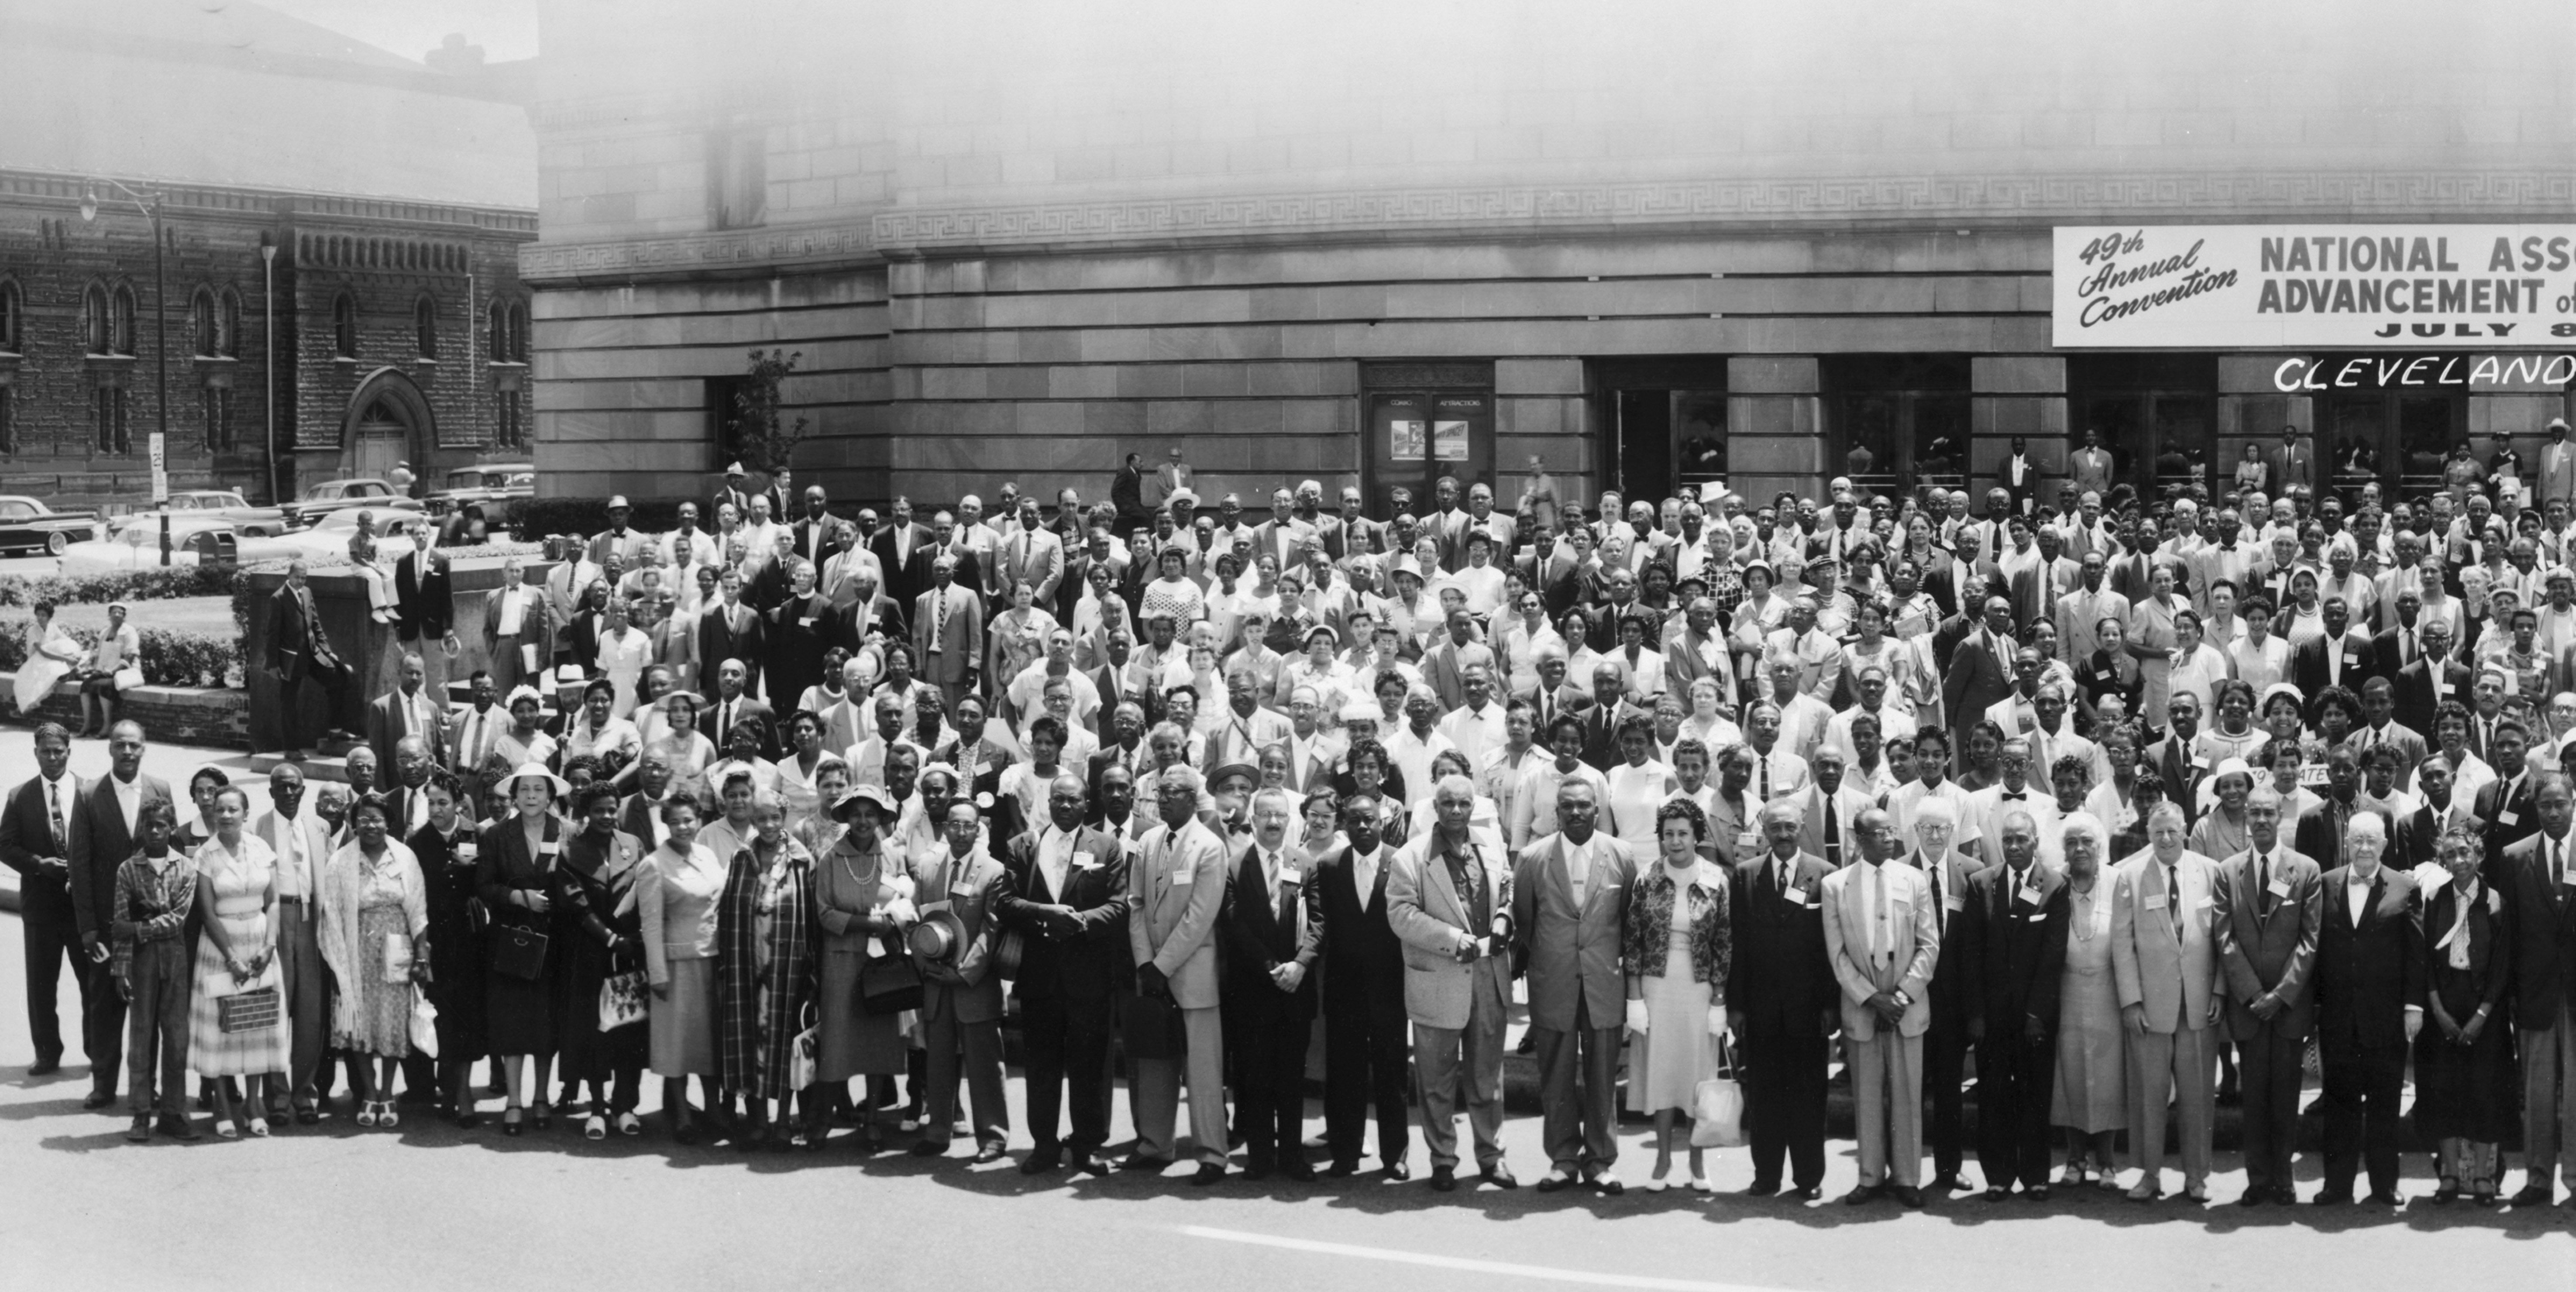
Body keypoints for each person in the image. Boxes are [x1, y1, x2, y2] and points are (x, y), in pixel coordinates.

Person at [1390, 773, 1518, 1192]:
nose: (1457, 812)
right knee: (1436, 1080)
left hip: (1488, 975)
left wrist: (1503, 917)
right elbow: (1401, 915)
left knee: (1487, 1078)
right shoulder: (1410, 858)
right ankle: (1443, 1159)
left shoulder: (1491, 847)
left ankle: (1491, 1157)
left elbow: (1508, 888)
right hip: (1439, 979)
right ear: (1434, 808)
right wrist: (1451, 940)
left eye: (1465, 804)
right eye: (1448, 804)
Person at [997, 772, 1130, 1175]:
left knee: (1089, 1065)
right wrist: (1043, 914)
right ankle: (1043, 1146)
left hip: (1088, 976)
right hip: (1040, 978)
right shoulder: (1023, 846)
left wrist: (1079, 922)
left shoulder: (1106, 847)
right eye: (1059, 800)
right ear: (1048, 803)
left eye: (1073, 800)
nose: (1066, 806)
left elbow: (1120, 906)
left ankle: (1087, 1146)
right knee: (1041, 1066)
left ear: (1086, 804)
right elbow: (1005, 901)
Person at [1512, 777, 1636, 1194]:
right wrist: (1557, 956)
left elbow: (1625, 918)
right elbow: (1526, 922)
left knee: (1603, 1076)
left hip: (1603, 982)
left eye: (1584, 806)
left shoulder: (1621, 854)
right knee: (1556, 1075)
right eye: (1567, 807)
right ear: (1556, 813)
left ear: (1597, 811)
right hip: (1553, 980)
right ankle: (1563, 1160)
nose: (1576, 813)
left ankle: (1600, 1161)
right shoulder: (1532, 858)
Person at [2210, 785, 2322, 1206]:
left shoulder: (2305, 870)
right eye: (2253, 814)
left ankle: (2284, 1178)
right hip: (2249, 1006)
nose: (2259, 820)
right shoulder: (2227, 872)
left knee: (2286, 1094)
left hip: (2287, 1005)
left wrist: (2281, 995)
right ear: (2245, 819)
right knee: (2254, 1098)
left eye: (2267, 813)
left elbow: (2310, 940)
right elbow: (2224, 937)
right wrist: (2254, 994)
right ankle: (2258, 1179)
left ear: (2281, 818)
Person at [2109, 801, 2224, 1203]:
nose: (2165, 838)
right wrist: (2130, 1002)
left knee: (2197, 1097)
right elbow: (2122, 946)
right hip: (2151, 1007)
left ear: (2185, 830)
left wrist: (2219, 991)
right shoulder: (2130, 877)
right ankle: (2150, 1174)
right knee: (2149, 1095)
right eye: (2157, 832)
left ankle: (2196, 1176)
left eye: (2172, 831)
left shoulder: (2209, 872)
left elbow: (2221, 941)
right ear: (2148, 833)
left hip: (2197, 1005)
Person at [1823, 807, 1936, 1207]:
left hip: (1906, 1001)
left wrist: (1902, 996)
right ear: (1859, 839)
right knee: (1867, 1094)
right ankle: (1869, 1176)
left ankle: (1907, 1178)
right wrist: (1873, 999)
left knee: (1906, 1093)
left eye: (1891, 830)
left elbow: (1929, 945)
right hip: (1864, 1000)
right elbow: (1836, 954)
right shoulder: (1835, 886)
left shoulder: (1914, 879)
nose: (1889, 838)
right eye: (1879, 832)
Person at [2310, 810, 2424, 1206]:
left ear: (2384, 845)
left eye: (2371, 841)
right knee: (2339, 1102)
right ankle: (2336, 1185)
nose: (2363, 848)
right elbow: (2318, 952)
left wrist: (2413, 1006)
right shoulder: (2325, 884)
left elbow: (2415, 955)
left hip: (2386, 1016)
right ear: (2346, 842)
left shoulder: (2405, 887)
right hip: (2339, 1017)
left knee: (2384, 1102)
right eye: (2356, 839)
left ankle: (2384, 1185)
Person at [1122, 764, 1230, 1182]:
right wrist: (1144, 963)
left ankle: (1211, 1154)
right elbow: (1134, 905)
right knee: (1154, 1061)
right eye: (1159, 793)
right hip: (1150, 970)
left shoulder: (1209, 846)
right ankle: (1155, 1144)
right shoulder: (1148, 840)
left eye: (1171, 793)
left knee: (1203, 1070)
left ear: (1191, 797)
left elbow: (1201, 916)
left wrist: (1161, 965)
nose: (1162, 800)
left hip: (1193, 974)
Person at [1619, 798, 1731, 1192]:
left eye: (1683, 833)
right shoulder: (1646, 877)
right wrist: (1634, 999)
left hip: (1698, 990)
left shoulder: (1717, 879)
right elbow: (1631, 942)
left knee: (1698, 1078)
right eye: (1668, 834)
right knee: (1662, 1077)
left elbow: (1724, 943)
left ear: (1696, 836)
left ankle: (1698, 1165)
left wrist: (1719, 1000)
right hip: (1656, 988)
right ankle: (1663, 1159)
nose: (1676, 841)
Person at [1725, 799, 1834, 1199]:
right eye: (1776, 828)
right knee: (1765, 1096)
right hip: (1761, 1010)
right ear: (1764, 830)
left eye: (1790, 827)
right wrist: (1735, 1006)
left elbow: (1830, 948)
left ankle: (1809, 1178)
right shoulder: (1745, 876)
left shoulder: (1825, 876)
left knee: (1809, 1096)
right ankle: (1765, 1175)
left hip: (1809, 1012)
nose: (1784, 835)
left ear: (1802, 825)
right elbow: (1737, 945)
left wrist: (1830, 1005)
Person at [1958, 808, 2068, 1199]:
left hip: (2034, 1017)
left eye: (2021, 839)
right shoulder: (1981, 883)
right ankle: (1998, 1176)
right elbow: (1969, 955)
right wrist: (1974, 1014)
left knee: (2035, 1095)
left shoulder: (2055, 886)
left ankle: (2036, 1174)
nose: (2014, 846)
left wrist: (2036, 1014)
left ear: (2036, 841)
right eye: (2007, 839)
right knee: (1993, 1096)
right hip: (1990, 1017)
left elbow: (2053, 957)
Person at [68, 720, 172, 1112]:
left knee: (149, 1007)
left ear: (144, 749)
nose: (127, 752)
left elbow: (168, 853)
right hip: (107, 923)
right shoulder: (90, 793)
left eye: (135, 745)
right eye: (120, 745)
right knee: (104, 1004)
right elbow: (79, 863)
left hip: (149, 923)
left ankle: (147, 1086)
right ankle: (103, 1084)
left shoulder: (160, 788)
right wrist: (88, 928)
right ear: (109, 749)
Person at [1219, 787, 1321, 1181]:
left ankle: (1292, 1157)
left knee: (1292, 1079)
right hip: (1253, 989)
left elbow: (1319, 922)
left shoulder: (1305, 863)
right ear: (1253, 819)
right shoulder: (1235, 865)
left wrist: (1299, 965)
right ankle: (1260, 1157)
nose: (1274, 822)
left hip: (1295, 988)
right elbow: (1233, 923)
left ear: (1289, 818)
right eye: (1265, 815)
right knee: (1256, 1076)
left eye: (1280, 815)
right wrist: (1270, 966)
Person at [1310, 793, 1412, 1179]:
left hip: (1389, 988)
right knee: (1344, 1075)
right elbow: (1324, 926)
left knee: (1391, 1075)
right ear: (1344, 825)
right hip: (1344, 989)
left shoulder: (1401, 861)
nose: (1363, 827)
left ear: (1382, 822)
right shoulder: (1330, 865)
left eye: (1369, 819)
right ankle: (1345, 1153)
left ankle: (1395, 1156)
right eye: (1354, 821)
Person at [906, 795, 1013, 1161]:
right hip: (936, 981)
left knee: (984, 1064)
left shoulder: (994, 870)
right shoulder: (926, 867)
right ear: (944, 827)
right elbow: (918, 924)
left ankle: (993, 1137)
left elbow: (992, 930)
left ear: (979, 828)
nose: (961, 832)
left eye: (969, 825)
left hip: (974, 984)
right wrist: (928, 967)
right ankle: (938, 1131)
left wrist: (964, 973)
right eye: (954, 824)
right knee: (937, 1062)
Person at [714, 783, 819, 1151]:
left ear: (785, 815)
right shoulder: (741, 859)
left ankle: (783, 1123)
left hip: (789, 971)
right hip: (747, 970)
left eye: (775, 816)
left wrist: (812, 972)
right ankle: (758, 1121)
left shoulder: (803, 861)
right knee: (749, 1044)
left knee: (785, 1043)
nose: (769, 824)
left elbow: (812, 919)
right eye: (761, 818)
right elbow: (728, 913)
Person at [317, 797, 431, 1131]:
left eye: (377, 819)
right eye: (364, 819)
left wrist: (422, 955)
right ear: (354, 824)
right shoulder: (341, 861)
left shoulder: (404, 857)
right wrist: (338, 964)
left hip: (398, 950)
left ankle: (387, 1093)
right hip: (357, 953)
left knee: (392, 1023)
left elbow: (418, 908)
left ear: (388, 823)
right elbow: (332, 914)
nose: (370, 825)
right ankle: (368, 1092)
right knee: (361, 1025)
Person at [2415, 824, 2514, 1206]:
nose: (2458, 861)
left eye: (2465, 853)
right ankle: (2450, 1174)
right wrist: (2436, 1008)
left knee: (2485, 1091)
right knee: (2444, 1090)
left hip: (2484, 1007)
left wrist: (2482, 1014)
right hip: (2444, 1002)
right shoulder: (2436, 900)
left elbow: (2502, 966)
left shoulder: (2495, 903)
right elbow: (2426, 958)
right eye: (2451, 854)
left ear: (2479, 856)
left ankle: (2484, 1177)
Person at [187, 785, 288, 1139]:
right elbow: (206, 911)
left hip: (260, 945)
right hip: (221, 949)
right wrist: (230, 958)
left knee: (256, 1024)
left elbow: (274, 901)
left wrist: (270, 945)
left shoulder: (261, 849)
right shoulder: (205, 855)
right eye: (220, 810)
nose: (226, 815)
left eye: (234, 810)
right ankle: (222, 1107)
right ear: (212, 815)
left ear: (246, 814)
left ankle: (253, 1105)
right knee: (220, 1028)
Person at [475, 764, 569, 1137]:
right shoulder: (497, 835)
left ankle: (541, 1098)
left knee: (545, 1024)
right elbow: (484, 886)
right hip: (511, 940)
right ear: (513, 796)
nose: (531, 796)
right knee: (512, 1023)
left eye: (539, 790)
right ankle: (514, 1100)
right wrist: (517, 896)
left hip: (553, 942)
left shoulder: (566, 833)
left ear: (550, 796)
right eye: (524, 789)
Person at [2497, 773, 2576, 1209]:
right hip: (2536, 991)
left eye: (2560, 803)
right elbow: (2508, 932)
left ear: (2573, 801)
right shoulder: (2516, 856)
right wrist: (2510, 993)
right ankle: (2540, 1178)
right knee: (2539, 1090)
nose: (2552, 812)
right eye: (2545, 804)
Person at [554, 783, 649, 1140]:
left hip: (628, 955)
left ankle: (624, 1105)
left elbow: (645, 890)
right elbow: (576, 904)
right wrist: (610, 939)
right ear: (586, 813)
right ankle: (596, 1108)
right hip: (591, 954)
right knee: (595, 1031)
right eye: (599, 811)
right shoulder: (571, 850)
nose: (607, 817)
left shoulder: (633, 845)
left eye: (612, 810)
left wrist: (631, 940)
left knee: (628, 1028)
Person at [0, 723, 90, 1082]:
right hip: (40, 906)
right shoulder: (19, 796)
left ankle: (97, 1051)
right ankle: (47, 1052)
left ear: (70, 751)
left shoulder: (89, 791)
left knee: (92, 982)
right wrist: (39, 865)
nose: (52, 758)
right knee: (41, 985)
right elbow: (5, 846)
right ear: (35, 752)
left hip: (82, 908)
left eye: (59, 751)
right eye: (45, 751)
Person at [638, 793, 728, 1143]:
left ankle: (714, 1109)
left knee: (709, 1045)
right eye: (675, 821)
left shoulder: (707, 854)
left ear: (698, 820)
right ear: (666, 824)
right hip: (676, 968)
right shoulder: (653, 864)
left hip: (713, 961)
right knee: (675, 1046)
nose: (682, 827)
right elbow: (650, 924)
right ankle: (682, 1116)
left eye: (688, 820)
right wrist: (657, 974)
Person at [110, 799, 196, 1142]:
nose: (156, 831)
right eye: (150, 826)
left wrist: (139, 928)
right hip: (142, 960)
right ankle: (141, 1113)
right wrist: (120, 970)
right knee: (141, 1036)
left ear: (172, 827)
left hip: (174, 957)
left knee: (176, 1036)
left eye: (162, 825)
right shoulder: (128, 870)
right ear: (141, 830)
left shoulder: (186, 868)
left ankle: (173, 1112)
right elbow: (119, 923)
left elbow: (179, 919)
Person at [407, 769, 487, 1127]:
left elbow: (488, 883)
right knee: (442, 1015)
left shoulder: (477, 834)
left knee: (468, 1015)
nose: (436, 809)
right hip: (437, 939)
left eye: (443, 802)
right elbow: (415, 898)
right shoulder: (418, 841)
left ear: (458, 804)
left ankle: (464, 1093)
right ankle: (449, 1087)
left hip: (470, 936)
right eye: (432, 802)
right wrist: (422, 949)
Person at [2052, 811, 2128, 1189]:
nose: (2079, 849)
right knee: (2070, 1075)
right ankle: (2074, 1158)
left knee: (2107, 1076)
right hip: (2066, 992)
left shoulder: (2118, 882)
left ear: (2101, 846)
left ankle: (2108, 1162)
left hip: (2108, 991)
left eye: (2087, 842)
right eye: (2071, 842)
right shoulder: (2053, 883)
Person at [267, 560, 358, 760]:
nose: (300, 581)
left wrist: (327, 651)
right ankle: (291, 749)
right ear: (288, 576)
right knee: (289, 703)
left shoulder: (307, 592)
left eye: (304, 577)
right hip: (290, 660)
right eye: (297, 577)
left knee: (340, 679)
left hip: (313, 654)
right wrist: (273, 665)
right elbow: (272, 634)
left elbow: (316, 624)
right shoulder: (279, 598)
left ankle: (335, 730)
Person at [73, 601, 140, 739]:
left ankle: (107, 725)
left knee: (104, 686)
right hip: (106, 671)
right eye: (113, 612)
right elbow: (100, 654)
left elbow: (130, 657)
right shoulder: (105, 632)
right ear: (109, 615)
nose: (116, 615)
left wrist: (113, 671)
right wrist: (92, 669)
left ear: (124, 616)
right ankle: (87, 724)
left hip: (125, 671)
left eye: (120, 613)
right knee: (86, 686)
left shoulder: (129, 632)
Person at [15, 601, 85, 721]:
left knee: (70, 649)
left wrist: (74, 655)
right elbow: (42, 652)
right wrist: (66, 658)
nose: (40, 618)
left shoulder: (53, 627)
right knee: (52, 672)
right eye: (38, 615)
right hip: (36, 662)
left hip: (49, 659)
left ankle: (73, 672)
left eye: (44, 615)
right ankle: (67, 675)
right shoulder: (32, 630)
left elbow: (66, 641)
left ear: (49, 617)